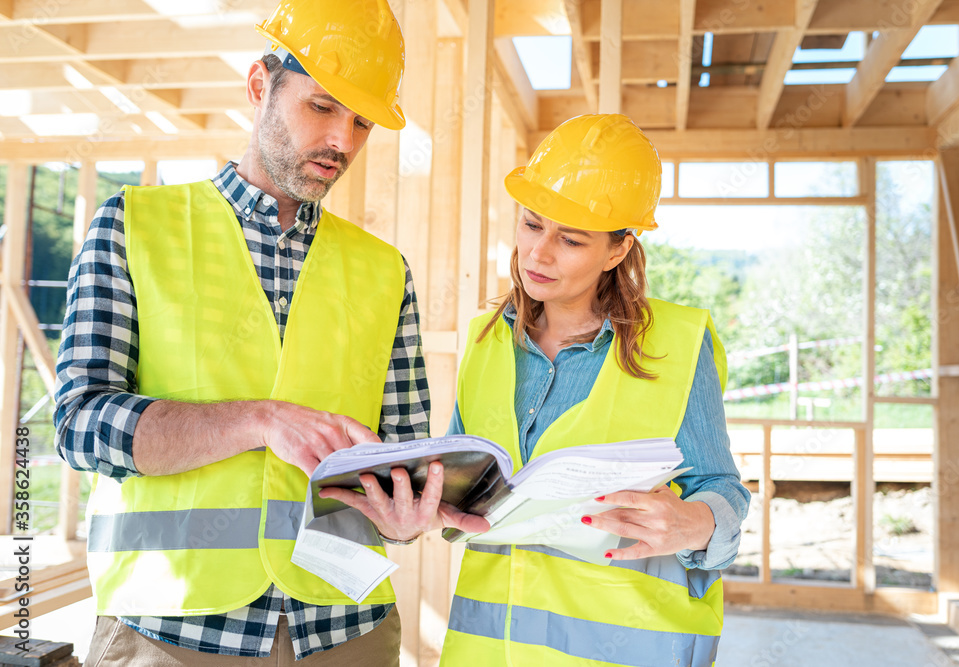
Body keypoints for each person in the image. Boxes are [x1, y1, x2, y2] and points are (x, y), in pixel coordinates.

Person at [53, 0, 481, 663]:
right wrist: (258, 420)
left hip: (347, 630)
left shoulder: (383, 271)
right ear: (260, 86)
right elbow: (79, 426)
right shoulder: (132, 226)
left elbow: (400, 454)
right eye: (322, 106)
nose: (343, 139)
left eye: (362, 120)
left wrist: (409, 511)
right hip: (173, 632)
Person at [438, 113, 751, 667]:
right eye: (532, 225)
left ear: (617, 251)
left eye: (571, 239)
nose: (539, 253)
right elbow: (458, 489)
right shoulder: (486, 342)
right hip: (486, 651)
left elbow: (721, 489)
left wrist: (694, 522)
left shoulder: (676, 346)